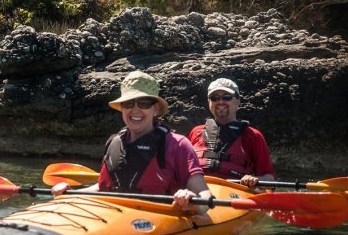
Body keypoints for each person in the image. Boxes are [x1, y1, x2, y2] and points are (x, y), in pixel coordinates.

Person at [52, 70, 213, 214]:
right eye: (128, 103)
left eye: (144, 103)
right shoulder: (114, 143)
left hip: (160, 219)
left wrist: (191, 200)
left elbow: (205, 197)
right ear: (122, 108)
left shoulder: (178, 145)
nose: (135, 110)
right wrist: (71, 193)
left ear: (155, 108)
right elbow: (103, 188)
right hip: (114, 218)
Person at [188, 78, 275, 188]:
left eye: (227, 97)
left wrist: (255, 180)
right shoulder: (196, 132)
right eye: (214, 98)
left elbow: (269, 179)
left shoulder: (253, 136)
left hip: (233, 192)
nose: (220, 101)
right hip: (198, 191)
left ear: (238, 100)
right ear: (209, 102)